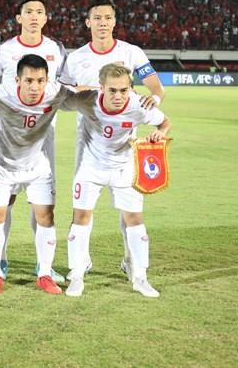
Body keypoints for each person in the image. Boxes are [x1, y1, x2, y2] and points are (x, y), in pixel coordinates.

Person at [0, 54, 96, 295]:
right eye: (29, 81)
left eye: (40, 80)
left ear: (47, 80)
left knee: (46, 217)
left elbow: (85, 95)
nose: (35, 86)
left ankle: (44, 274)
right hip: (2, 168)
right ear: (18, 80)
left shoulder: (56, 93)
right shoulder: (1, 95)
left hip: (37, 168)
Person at [60, 0, 165, 277]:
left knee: (128, 204)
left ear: (114, 22)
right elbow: (62, 92)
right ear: (88, 22)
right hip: (89, 138)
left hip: (125, 138)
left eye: (108, 18)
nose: (102, 23)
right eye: (97, 18)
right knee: (83, 204)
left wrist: (152, 99)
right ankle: (81, 262)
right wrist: (76, 90)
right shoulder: (76, 58)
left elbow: (156, 87)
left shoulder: (132, 53)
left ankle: (131, 260)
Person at [0, 0, 67, 280]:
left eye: (40, 11)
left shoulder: (56, 49)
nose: (34, 16)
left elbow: (68, 87)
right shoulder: (4, 50)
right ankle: (0, 260)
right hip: (9, 137)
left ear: (46, 18)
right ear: (19, 18)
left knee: (42, 203)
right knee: (7, 201)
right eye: (29, 11)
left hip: (43, 135)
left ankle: (44, 266)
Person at [65, 63, 171, 298]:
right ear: (101, 87)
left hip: (125, 168)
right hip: (91, 167)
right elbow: (59, 98)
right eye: (112, 90)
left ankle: (140, 277)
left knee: (134, 219)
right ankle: (77, 275)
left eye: (124, 90)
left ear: (131, 89)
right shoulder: (87, 100)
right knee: (81, 217)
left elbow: (164, 122)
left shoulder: (138, 105)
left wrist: (158, 134)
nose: (118, 96)